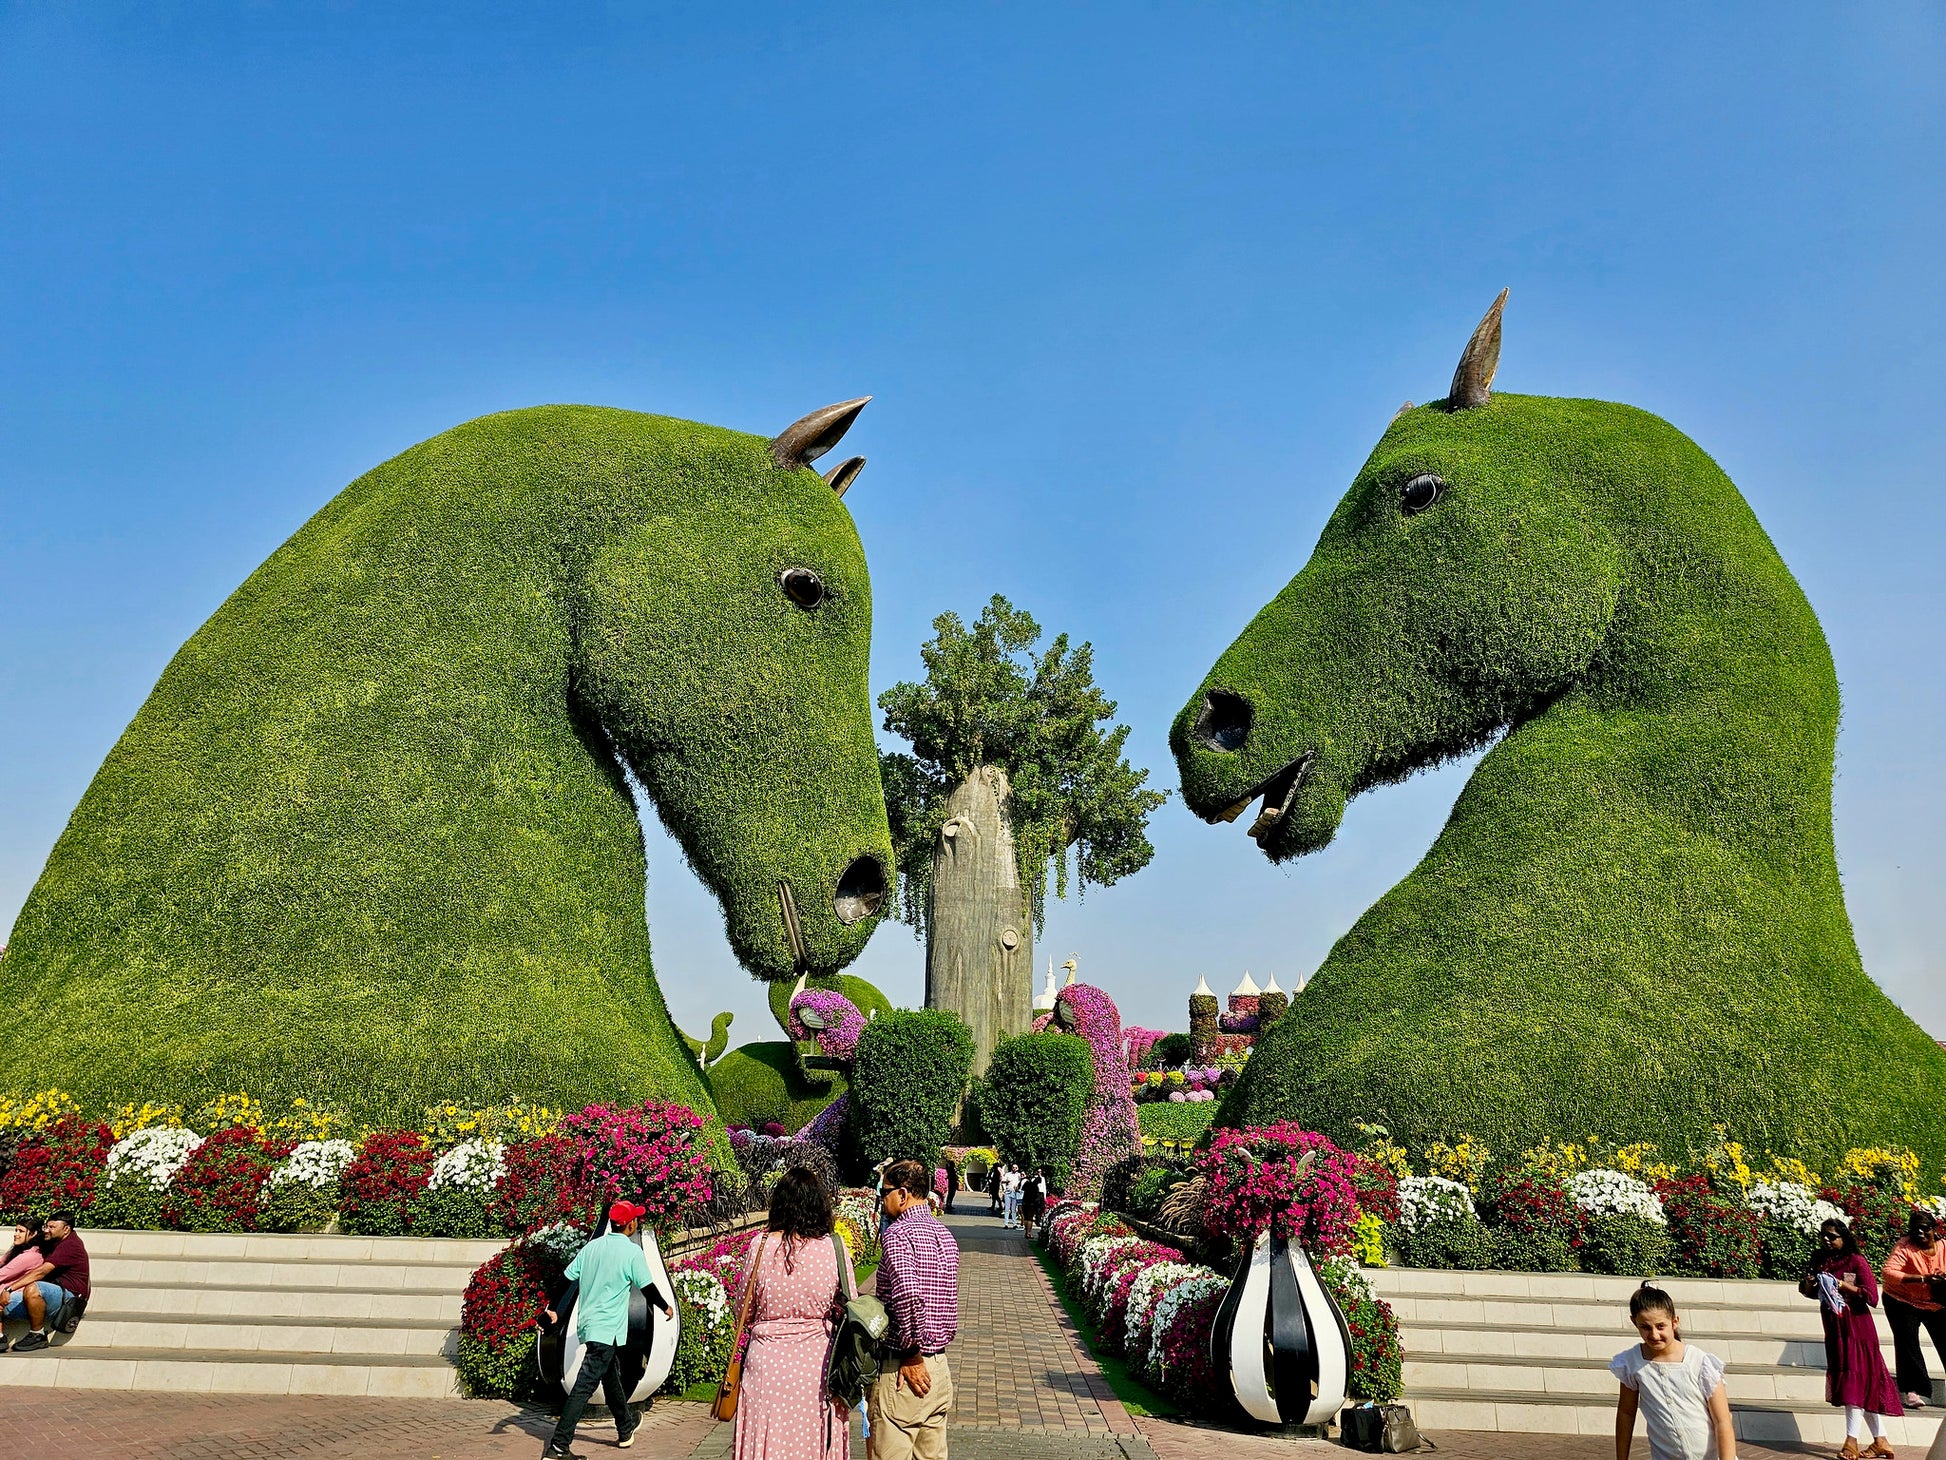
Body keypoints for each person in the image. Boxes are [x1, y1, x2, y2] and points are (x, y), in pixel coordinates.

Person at [733, 1166, 857, 1460]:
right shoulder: (832, 1249)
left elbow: (743, 1311)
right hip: (817, 1367)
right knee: (814, 1441)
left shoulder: (760, 1247)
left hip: (767, 1365)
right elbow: (851, 1305)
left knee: (768, 1438)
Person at [541, 1201, 675, 1460]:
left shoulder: (592, 1247)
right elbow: (647, 1288)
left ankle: (625, 1428)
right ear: (630, 1224)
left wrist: (554, 1309)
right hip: (607, 1329)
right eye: (636, 1219)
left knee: (610, 1374)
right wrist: (665, 1307)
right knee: (583, 1387)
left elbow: (565, 1280)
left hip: (590, 1326)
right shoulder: (631, 1253)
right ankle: (558, 1446)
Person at [871, 1159, 960, 1460]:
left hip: (905, 1368)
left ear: (903, 1194)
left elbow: (909, 1294)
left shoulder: (898, 1234)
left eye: (884, 1193)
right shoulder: (945, 1235)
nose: (881, 1201)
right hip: (939, 1369)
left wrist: (911, 1353)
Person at [1802, 1217, 1902, 1459]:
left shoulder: (1855, 1261)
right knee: (1858, 1383)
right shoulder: (1820, 1260)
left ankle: (1851, 1440)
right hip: (1835, 1328)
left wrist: (1842, 1286)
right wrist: (1810, 1284)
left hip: (1857, 1329)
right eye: (1823, 1235)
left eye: (1832, 1236)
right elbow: (1808, 1292)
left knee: (1854, 1383)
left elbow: (1871, 1297)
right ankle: (1880, 1440)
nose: (1826, 1240)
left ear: (1844, 1238)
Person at [1610, 1281, 1736, 1460]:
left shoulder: (1700, 1362)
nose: (1654, 1335)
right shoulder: (1630, 1363)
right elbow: (1626, 1413)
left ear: (1674, 1321)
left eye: (1661, 1326)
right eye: (1645, 1327)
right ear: (1634, 1322)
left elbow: (1722, 1421)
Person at [0, 1211, 87, 1353]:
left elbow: (41, 1272)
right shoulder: (57, 1242)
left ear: (66, 1229)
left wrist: (9, 1289)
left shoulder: (70, 1245)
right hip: (57, 1293)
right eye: (46, 1226)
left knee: (33, 1288)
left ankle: (37, 1334)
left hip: (70, 1299)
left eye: (52, 1227)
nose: (46, 1230)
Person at [1885, 1207, 1946, 1409]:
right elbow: (1889, 1272)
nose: (1919, 1233)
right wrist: (1923, 1278)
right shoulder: (1905, 1246)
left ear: (1934, 1229)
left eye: (1924, 1228)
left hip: (1935, 1302)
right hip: (1901, 1300)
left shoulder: (1944, 1247)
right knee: (1907, 1341)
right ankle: (1913, 1391)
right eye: (1914, 1229)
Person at [1000, 1165, 1022, 1229]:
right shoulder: (1008, 1174)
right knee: (1007, 1209)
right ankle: (1006, 1224)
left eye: (1016, 1168)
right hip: (1008, 1192)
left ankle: (1014, 1224)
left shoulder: (1019, 1175)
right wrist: (1007, 1182)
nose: (1014, 1169)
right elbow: (1002, 1181)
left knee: (1014, 1209)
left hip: (1015, 1193)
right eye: (1013, 1167)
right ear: (1011, 1168)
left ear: (1017, 1168)